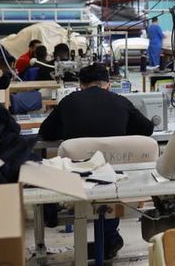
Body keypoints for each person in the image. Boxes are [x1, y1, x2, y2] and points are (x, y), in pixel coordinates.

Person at [39, 63, 153, 259]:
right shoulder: (121, 101)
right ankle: (110, 237)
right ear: (108, 84)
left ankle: (100, 238)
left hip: (77, 181)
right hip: (115, 182)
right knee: (108, 182)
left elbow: (46, 132)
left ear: (80, 85)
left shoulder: (68, 101)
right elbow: (147, 129)